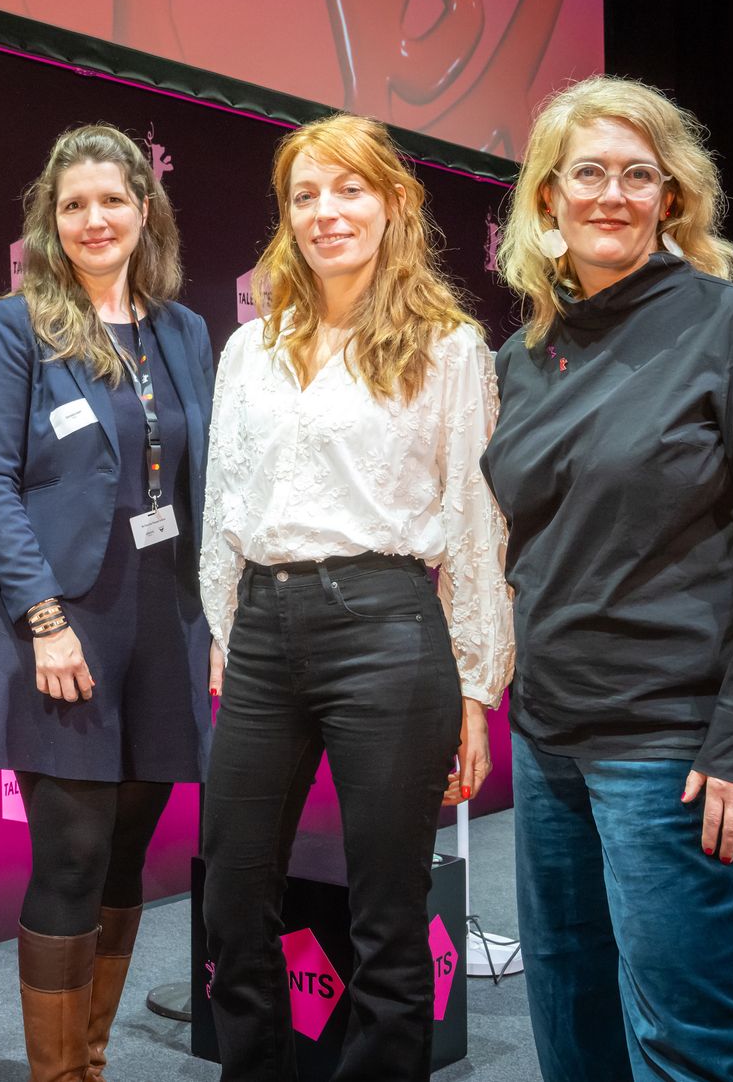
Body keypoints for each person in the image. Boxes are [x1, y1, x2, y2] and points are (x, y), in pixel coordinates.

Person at [483, 76, 733, 1082]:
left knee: (693, 1054)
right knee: (576, 1039)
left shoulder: (732, 329)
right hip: (549, 746)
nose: (611, 194)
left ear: (669, 199)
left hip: (682, 754)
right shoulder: (523, 354)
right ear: (546, 197)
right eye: (586, 172)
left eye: (639, 176)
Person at [199, 113, 512, 1081]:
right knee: (231, 899)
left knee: (386, 916)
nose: (324, 212)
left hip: (387, 629)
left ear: (392, 203)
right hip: (262, 631)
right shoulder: (249, 347)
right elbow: (221, 500)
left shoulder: (449, 345)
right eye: (304, 194)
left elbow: (472, 518)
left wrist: (472, 683)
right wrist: (224, 625)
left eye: (347, 189)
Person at [0, 123, 215, 1081]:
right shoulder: (17, 323)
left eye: (112, 200)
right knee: (69, 852)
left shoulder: (183, 331)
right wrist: (45, 621)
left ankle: (92, 1059)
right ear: (49, 222)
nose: (94, 219)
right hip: (60, 624)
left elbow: (207, 481)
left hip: (162, 622)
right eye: (73, 205)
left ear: (143, 210)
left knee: (123, 853)